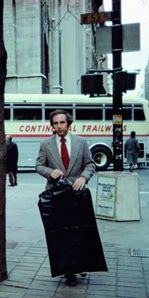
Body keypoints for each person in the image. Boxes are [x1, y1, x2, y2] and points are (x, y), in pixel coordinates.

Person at [36, 109, 96, 286]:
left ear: (69, 124)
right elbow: (38, 166)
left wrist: (83, 177)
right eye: (55, 123)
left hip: (77, 195)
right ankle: (69, 271)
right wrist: (50, 172)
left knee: (79, 232)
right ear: (52, 126)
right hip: (56, 196)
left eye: (62, 123)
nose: (59, 126)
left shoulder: (81, 142)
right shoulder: (46, 144)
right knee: (62, 234)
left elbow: (90, 164)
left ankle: (80, 264)